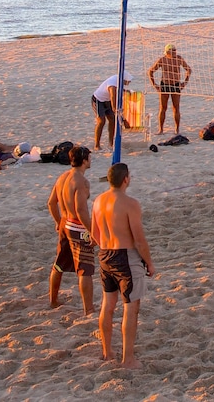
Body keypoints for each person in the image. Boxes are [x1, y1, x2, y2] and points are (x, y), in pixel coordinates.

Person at [91, 162, 155, 369]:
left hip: (105, 254)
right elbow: (139, 240)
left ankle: (106, 351)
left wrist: (107, 247)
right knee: (131, 307)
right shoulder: (130, 203)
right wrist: (149, 263)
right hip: (125, 256)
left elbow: (95, 234)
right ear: (126, 179)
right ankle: (128, 358)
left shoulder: (98, 201)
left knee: (107, 304)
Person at [48, 146, 95, 315]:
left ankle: (53, 301)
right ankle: (88, 309)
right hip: (77, 226)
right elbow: (81, 210)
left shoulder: (62, 177)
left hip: (65, 223)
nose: (91, 160)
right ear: (84, 160)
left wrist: (58, 221)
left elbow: (51, 202)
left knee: (59, 264)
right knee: (85, 269)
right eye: (89, 157)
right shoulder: (81, 182)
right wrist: (93, 231)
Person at [148, 44, 192, 135]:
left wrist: (185, 82)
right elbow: (150, 71)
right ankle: (161, 130)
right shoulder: (162, 60)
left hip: (176, 85)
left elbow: (188, 69)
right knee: (163, 108)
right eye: (173, 50)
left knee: (176, 108)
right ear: (168, 52)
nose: (175, 52)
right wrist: (154, 85)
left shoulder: (179, 59)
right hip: (165, 85)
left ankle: (177, 129)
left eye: (175, 50)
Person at [92, 73, 133, 150]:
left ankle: (111, 143)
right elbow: (113, 97)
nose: (129, 83)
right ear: (124, 80)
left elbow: (118, 89)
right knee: (101, 121)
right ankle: (97, 145)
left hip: (107, 100)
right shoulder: (112, 85)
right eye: (128, 81)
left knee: (112, 120)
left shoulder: (118, 80)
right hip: (98, 99)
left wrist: (125, 91)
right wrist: (121, 116)